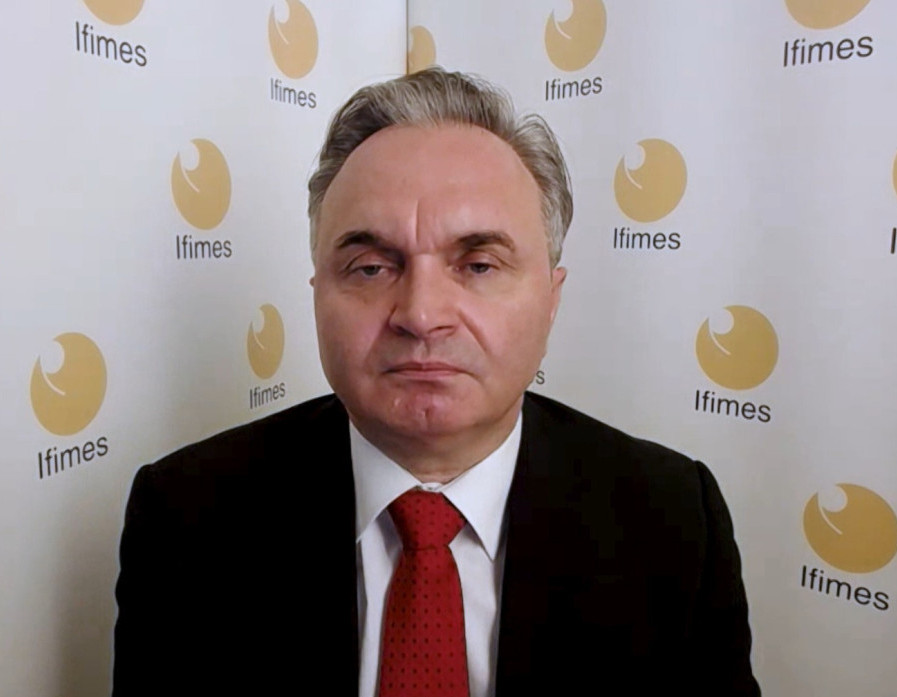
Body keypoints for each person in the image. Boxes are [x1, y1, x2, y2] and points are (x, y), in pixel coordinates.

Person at [113, 68, 760, 696]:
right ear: (317, 293)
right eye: (370, 268)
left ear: (551, 297)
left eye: (478, 265)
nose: (421, 315)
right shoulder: (183, 516)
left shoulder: (674, 521)